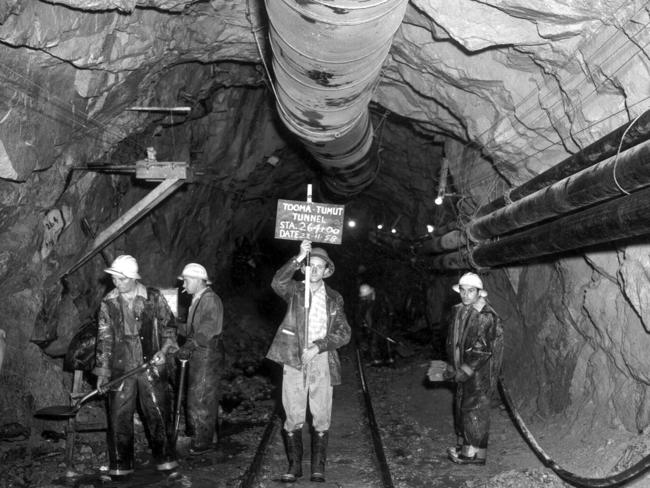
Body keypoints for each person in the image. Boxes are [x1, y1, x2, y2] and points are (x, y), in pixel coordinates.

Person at [266, 240, 351, 483]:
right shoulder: (294, 290)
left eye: (319, 266)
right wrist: (297, 257)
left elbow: (344, 332)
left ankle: (318, 467)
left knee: (321, 413)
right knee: (292, 412)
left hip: (321, 359)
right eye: (309, 265)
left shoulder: (334, 298)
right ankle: (295, 466)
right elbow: (277, 282)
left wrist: (319, 346)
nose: (313, 270)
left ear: (326, 271)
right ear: (304, 269)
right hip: (293, 357)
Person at [93, 255, 179, 477]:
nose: (116, 283)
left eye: (121, 279)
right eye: (114, 279)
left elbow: (170, 326)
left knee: (157, 411)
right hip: (121, 366)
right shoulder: (108, 302)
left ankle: (166, 460)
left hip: (150, 361)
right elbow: (105, 339)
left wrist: (164, 350)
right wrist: (103, 372)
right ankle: (121, 466)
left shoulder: (153, 297)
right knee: (119, 416)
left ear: (132, 278)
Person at [427, 272, 503, 466]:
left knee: (474, 409)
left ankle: (474, 455)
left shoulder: (485, 316)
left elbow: (482, 351)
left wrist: (463, 371)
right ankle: (463, 447)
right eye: (463, 290)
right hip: (463, 369)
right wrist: (451, 366)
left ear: (479, 292)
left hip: (479, 373)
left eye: (471, 291)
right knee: (462, 406)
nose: (466, 294)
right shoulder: (460, 310)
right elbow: (455, 342)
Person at [176, 263, 224, 455]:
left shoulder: (209, 300)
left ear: (196, 280)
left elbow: (207, 328)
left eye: (186, 280)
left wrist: (189, 345)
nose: (183, 285)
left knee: (201, 396)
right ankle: (205, 436)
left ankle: (201, 444)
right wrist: (176, 326)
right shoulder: (198, 299)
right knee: (201, 395)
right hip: (201, 352)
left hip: (207, 353)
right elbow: (193, 329)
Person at [357, 284, 395, 366]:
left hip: (384, 320)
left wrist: (388, 322)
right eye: (364, 297)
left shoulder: (381, 298)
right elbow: (363, 312)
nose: (365, 298)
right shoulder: (367, 300)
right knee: (374, 339)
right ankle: (377, 361)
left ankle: (389, 359)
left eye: (366, 296)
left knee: (385, 339)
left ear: (370, 293)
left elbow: (389, 309)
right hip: (374, 321)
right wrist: (363, 321)